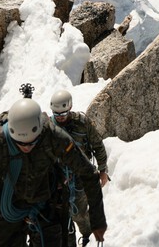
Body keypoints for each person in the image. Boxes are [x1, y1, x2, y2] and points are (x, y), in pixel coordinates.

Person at [0, 96, 107, 247]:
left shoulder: (53, 135)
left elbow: (88, 173)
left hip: (45, 205)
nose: (26, 148)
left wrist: (97, 220)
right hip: (7, 210)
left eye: (32, 143)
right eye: (21, 144)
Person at [49, 90, 110, 247]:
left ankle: (87, 236)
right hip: (58, 179)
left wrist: (103, 170)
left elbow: (98, 146)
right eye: (57, 114)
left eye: (63, 113)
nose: (60, 117)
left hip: (81, 177)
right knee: (60, 214)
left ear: (70, 108)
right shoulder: (48, 128)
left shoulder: (82, 123)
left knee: (79, 213)